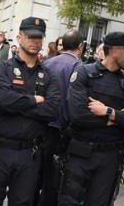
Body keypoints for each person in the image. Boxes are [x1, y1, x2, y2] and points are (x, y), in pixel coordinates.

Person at [0, 16, 61, 206]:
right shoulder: (2, 68)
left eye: (39, 37)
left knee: (23, 202)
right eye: (30, 36)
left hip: (29, 153)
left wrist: (17, 105)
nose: (35, 41)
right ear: (19, 37)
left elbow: (52, 110)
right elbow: (3, 101)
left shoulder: (49, 75)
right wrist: (34, 100)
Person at [59, 32, 124, 206]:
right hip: (80, 153)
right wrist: (119, 118)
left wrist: (109, 112)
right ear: (114, 51)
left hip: (109, 158)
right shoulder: (84, 73)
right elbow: (78, 115)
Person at [39, 30, 84, 206]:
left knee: (38, 174)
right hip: (62, 130)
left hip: (42, 125)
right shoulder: (78, 67)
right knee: (54, 178)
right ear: (80, 46)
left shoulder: (48, 63)